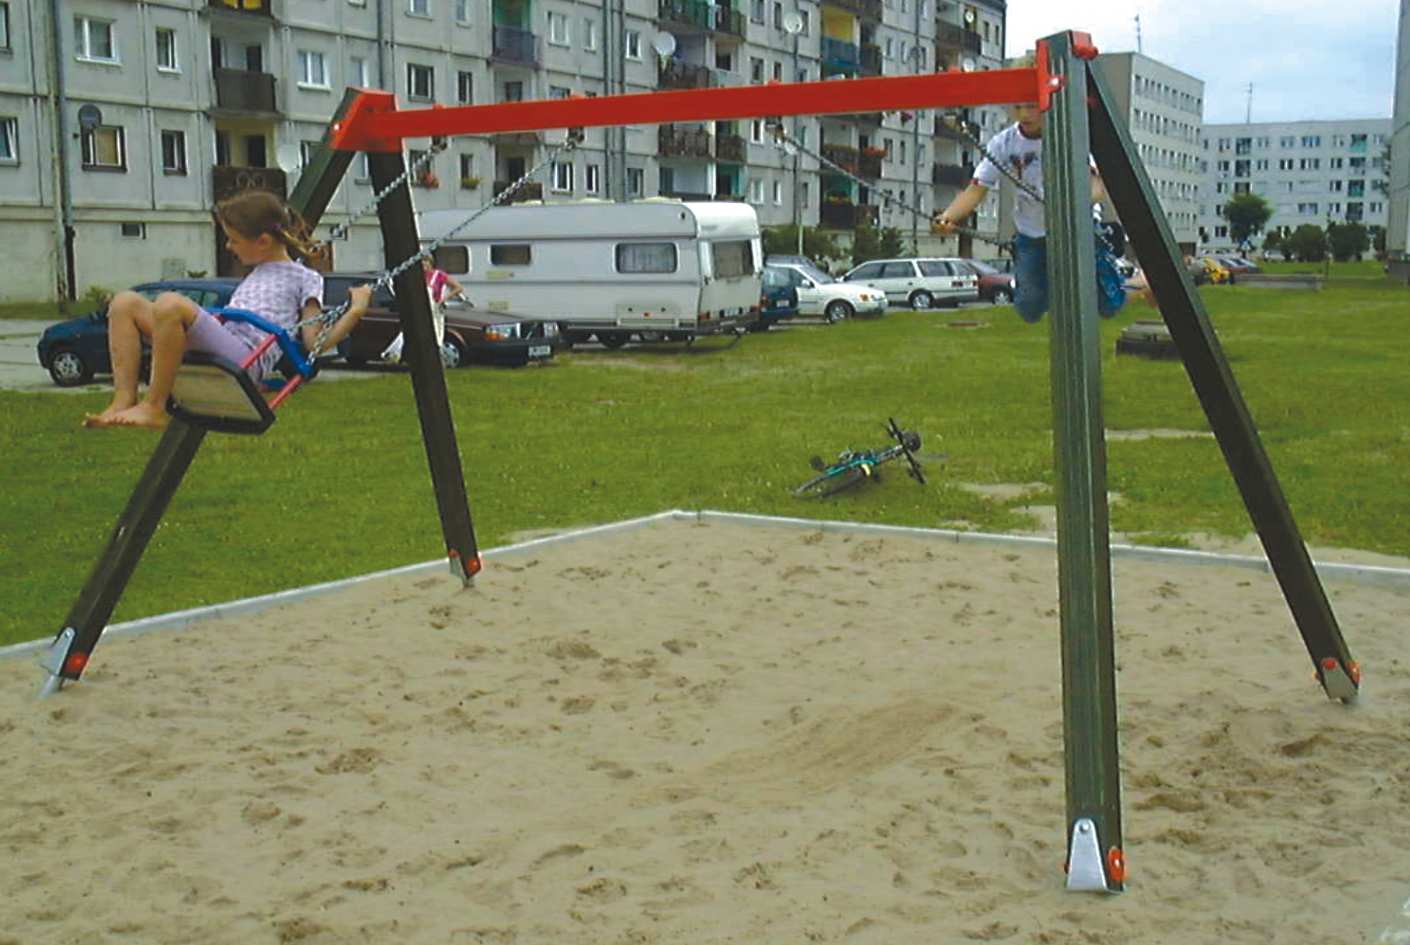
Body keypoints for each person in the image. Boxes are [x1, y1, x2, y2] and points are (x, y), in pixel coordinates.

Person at [84, 191, 371, 430]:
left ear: (263, 242)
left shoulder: (304, 277)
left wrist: (355, 311)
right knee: (124, 304)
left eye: (234, 239)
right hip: (224, 339)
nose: (228, 246)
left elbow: (314, 343)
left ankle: (154, 406)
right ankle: (123, 400)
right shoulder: (257, 272)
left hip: (247, 358)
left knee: (170, 304)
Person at [931, 99, 1128, 324]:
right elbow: (976, 189)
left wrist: (1074, 204)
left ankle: (1109, 273)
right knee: (1029, 309)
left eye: (1032, 106)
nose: (1025, 114)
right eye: (1018, 107)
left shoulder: (1072, 136)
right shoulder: (1005, 142)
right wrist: (948, 216)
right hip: (1031, 233)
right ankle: (1054, 288)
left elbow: (1096, 186)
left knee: (1108, 305)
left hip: (1076, 228)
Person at [381, 257, 466, 364]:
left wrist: (445, 298)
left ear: (431, 263)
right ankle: (395, 353)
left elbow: (458, 287)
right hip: (420, 307)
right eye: (422, 263)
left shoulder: (439, 275)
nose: (424, 266)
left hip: (435, 308)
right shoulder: (418, 276)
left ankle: (434, 358)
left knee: (435, 333)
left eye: (426, 263)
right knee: (412, 329)